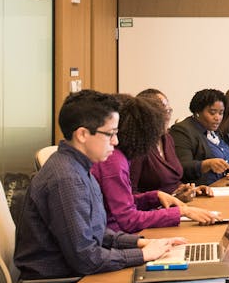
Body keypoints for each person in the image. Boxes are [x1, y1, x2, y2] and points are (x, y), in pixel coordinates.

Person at [14, 90, 183, 279]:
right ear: (83, 134)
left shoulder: (80, 167)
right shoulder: (67, 179)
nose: (116, 141)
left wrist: (142, 243)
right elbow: (86, 258)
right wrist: (143, 255)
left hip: (77, 274)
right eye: (110, 134)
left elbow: (98, 233)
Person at [90, 94, 218, 232]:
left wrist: (155, 196)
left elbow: (124, 201)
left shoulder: (120, 157)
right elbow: (128, 219)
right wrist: (182, 212)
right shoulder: (114, 161)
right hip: (119, 237)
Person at [130, 89, 208, 202]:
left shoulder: (167, 138)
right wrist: (168, 199)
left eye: (168, 111)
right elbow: (130, 194)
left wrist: (189, 190)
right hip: (154, 212)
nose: (167, 117)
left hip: (176, 205)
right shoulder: (138, 145)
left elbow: (173, 181)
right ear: (146, 114)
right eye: (162, 112)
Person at [170, 89, 229, 185]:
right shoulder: (182, 131)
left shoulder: (215, 131)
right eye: (212, 113)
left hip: (222, 186)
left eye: (221, 113)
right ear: (197, 112)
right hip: (200, 191)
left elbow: (223, 159)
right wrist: (206, 164)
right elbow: (181, 167)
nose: (217, 118)